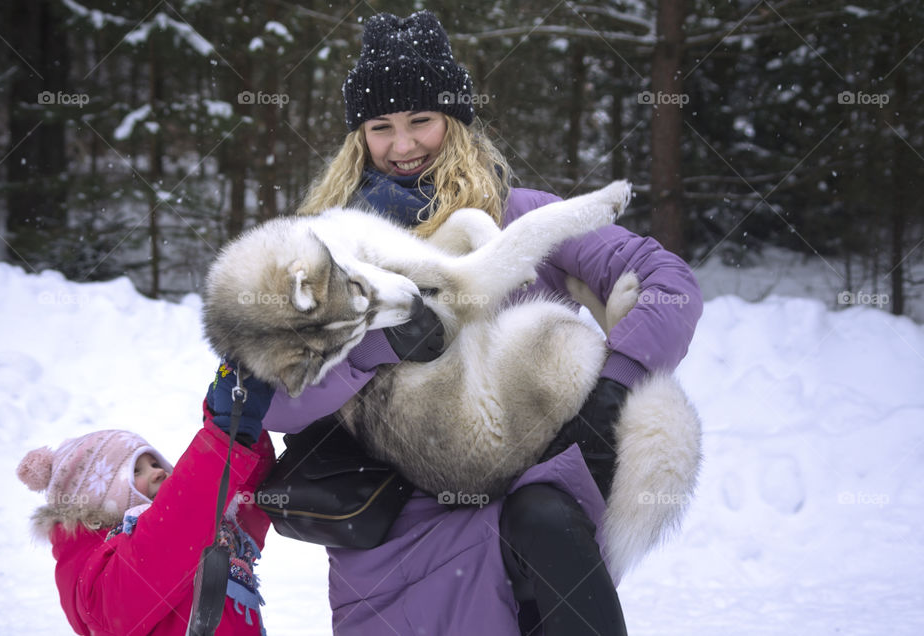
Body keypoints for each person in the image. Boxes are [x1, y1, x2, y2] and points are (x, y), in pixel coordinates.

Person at [216, 10, 701, 635]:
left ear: (455, 121)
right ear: (357, 137)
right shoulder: (320, 248)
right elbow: (268, 400)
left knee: (545, 522)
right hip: (388, 524)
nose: (403, 145)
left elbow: (669, 286)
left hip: (527, 489)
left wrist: (617, 384)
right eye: (380, 127)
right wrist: (372, 348)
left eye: (421, 119)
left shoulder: (516, 213)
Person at [16, 367, 276, 636]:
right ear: (95, 499)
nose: (159, 471)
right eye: (135, 471)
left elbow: (246, 494)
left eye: (154, 462)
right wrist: (222, 436)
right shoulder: (97, 580)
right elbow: (169, 533)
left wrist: (240, 428)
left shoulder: (214, 532)